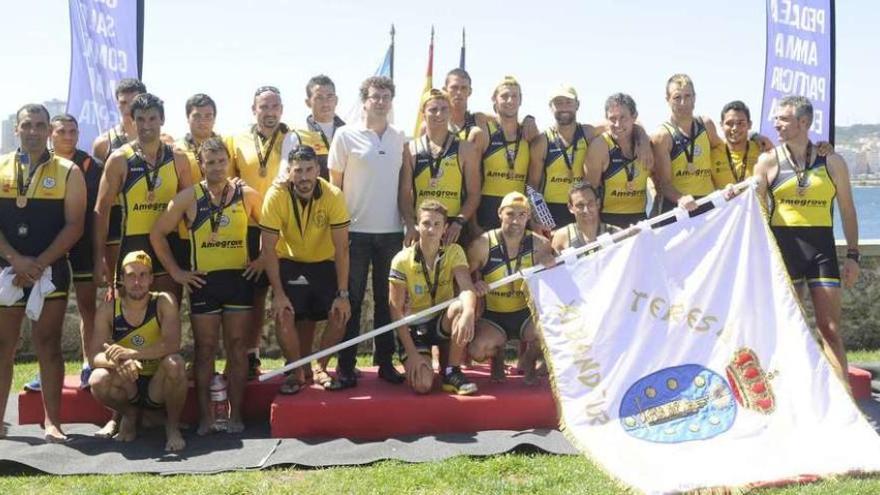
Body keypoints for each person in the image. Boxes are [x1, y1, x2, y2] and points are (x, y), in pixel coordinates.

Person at [150, 137, 263, 435]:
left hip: (238, 281)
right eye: (209, 162)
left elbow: (273, 229)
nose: (216, 167)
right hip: (204, 283)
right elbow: (157, 233)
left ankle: (236, 414)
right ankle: (206, 418)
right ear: (200, 165)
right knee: (205, 350)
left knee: (238, 349)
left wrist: (262, 259)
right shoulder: (188, 197)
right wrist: (177, 272)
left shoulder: (246, 194)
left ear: (229, 162)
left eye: (221, 161)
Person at [753, 96, 860, 384]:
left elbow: (848, 211)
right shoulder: (767, 161)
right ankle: (790, 400)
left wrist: (853, 255)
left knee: (830, 330)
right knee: (788, 331)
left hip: (821, 251)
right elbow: (752, 212)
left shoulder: (832, 161)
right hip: (784, 253)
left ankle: (845, 404)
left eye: (783, 119)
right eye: (776, 118)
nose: (777, 123)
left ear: (803, 122)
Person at [0, 104, 86, 442]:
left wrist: (38, 265)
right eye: (26, 125)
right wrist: (16, 260)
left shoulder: (68, 171)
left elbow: (75, 225)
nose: (33, 131)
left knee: (48, 344)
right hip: (7, 270)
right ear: (17, 129)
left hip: (50, 271)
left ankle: (53, 422)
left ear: (49, 130)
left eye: (39, 125)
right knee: (3, 345)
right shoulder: (2, 166)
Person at [329, 75, 407, 388]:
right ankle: (345, 366)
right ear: (364, 100)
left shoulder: (399, 136)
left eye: (386, 96)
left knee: (388, 301)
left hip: (391, 232)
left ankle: (385, 361)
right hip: (355, 232)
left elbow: (403, 184)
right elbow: (334, 185)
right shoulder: (345, 136)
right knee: (352, 300)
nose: (381, 101)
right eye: (375, 96)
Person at [262, 145, 351, 393]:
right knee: (283, 314)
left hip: (324, 264)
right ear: (289, 172)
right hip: (290, 263)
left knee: (340, 314)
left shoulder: (333, 194)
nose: (303, 177)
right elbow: (268, 248)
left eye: (309, 170)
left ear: (318, 170)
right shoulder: (276, 194)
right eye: (298, 171)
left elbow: (342, 248)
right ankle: (296, 370)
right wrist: (278, 294)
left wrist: (343, 294)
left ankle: (320, 367)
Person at [93, 93, 192, 302]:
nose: (146, 125)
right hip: (132, 244)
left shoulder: (179, 158)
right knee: (130, 321)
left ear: (162, 120)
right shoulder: (120, 159)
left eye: (152, 119)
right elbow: (102, 210)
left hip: (169, 246)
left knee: (168, 315)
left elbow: (191, 208)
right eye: (140, 119)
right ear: (132, 120)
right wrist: (100, 256)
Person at [88, 251, 187, 452]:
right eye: (131, 275)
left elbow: (172, 345)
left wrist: (131, 354)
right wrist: (118, 362)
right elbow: (94, 356)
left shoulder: (163, 301)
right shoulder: (109, 309)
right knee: (97, 379)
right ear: (122, 279)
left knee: (175, 363)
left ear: (151, 279)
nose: (137, 281)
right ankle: (130, 414)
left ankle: (172, 426)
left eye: (143, 275)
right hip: (128, 382)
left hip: (157, 383)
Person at [389, 200, 479, 395]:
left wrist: (469, 312)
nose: (431, 229)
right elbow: (395, 310)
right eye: (426, 223)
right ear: (417, 226)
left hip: (441, 321)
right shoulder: (401, 260)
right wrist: (412, 354)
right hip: (414, 327)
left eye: (437, 224)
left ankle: (451, 372)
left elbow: (466, 288)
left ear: (445, 228)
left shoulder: (454, 251)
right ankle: (421, 359)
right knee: (423, 385)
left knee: (461, 306)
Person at [230, 85, 289, 379]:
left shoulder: (293, 138)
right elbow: (229, 182)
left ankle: (295, 362)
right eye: (264, 107)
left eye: (275, 106)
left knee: (285, 297)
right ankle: (249, 355)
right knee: (251, 297)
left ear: (282, 109)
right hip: (248, 229)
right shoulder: (235, 140)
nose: (270, 112)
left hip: (285, 230)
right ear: (254, 110)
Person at [467, 192, 554, 384]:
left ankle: (528, 359)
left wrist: (551, 266)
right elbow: (462, 276)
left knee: (551, 333)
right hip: (494, 316)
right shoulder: (483, 244)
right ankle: (497, 356)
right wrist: (474, 284)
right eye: (510, 214)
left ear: (529, 216)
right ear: (500, 213)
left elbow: (556, 283)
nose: (515, 220)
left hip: (525, 314)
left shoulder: (540, 244)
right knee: (477, 351)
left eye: (521, 215)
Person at [49, 114, 104, 389]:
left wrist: (99, 255)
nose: (68, 136)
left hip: (83, 244)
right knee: (47, 313)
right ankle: (45, 370)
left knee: (87, 308)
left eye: (73, 131)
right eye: (62, 131)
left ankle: (89, 362)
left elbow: (97, 211)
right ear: (51, 133)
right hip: (48, 246)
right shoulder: (40, 162)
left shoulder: (90, 164)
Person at [399, 89, 480, 247]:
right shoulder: (410, 149)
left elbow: (474, 194)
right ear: (423, 113)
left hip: (452, 227)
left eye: (444, 109)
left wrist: (459, 222)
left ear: (450, 112)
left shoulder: (465, 149)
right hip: (423, 225)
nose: (439, 114)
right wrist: (410, 224)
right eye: (433, 109)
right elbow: (404, 194)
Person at [92, 78, 147, 284]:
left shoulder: (164, 142)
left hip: (149, 219)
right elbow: (100, 201)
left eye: (133, 102)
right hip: (115, 221)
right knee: (117, 288)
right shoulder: (102, 143)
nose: (127, 108)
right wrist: (99, 257)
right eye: (123, 102)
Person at [650, 74, 724, 217]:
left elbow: (723, 150)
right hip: (678, 207)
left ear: (694, 97)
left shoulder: (706, 124)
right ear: (668, 100)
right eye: (677, 97)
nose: (683, 102)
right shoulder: (662, 136)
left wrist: (753, 136)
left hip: (708, 203)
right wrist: (680, 199)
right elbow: (664, 184)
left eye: (688, 96)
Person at [472, 76, 533, 232]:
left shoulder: (530, 134)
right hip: (487, 209)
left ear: (521, 100)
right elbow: (469, 182)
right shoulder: (483, 132)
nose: (510, 100)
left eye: (514, 96)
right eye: (504, 96)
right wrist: (472, 225)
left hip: (519, 210)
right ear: (494, 99)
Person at [584, 93, 653, 229]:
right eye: (612, 118)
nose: (618, 124)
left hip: (640, 219)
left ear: (634, 117)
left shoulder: (646, 145)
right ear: (606, 119)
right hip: (608, 221)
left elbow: (658, 184)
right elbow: (589, 193)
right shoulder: (600, 147)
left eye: (623, 118)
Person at [551, 182, 620, 253]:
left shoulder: (616, 233)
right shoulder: (562, 237)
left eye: (590, 203)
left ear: (598, 204)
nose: (586, 210)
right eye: (580, 205)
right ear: (570, 208)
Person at [710, 100, 763, 189]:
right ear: (721, 125)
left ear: (749, 125)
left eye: (740, 123)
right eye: (729, 123)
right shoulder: (711, 153)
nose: (735, 128)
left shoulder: (762, 150)